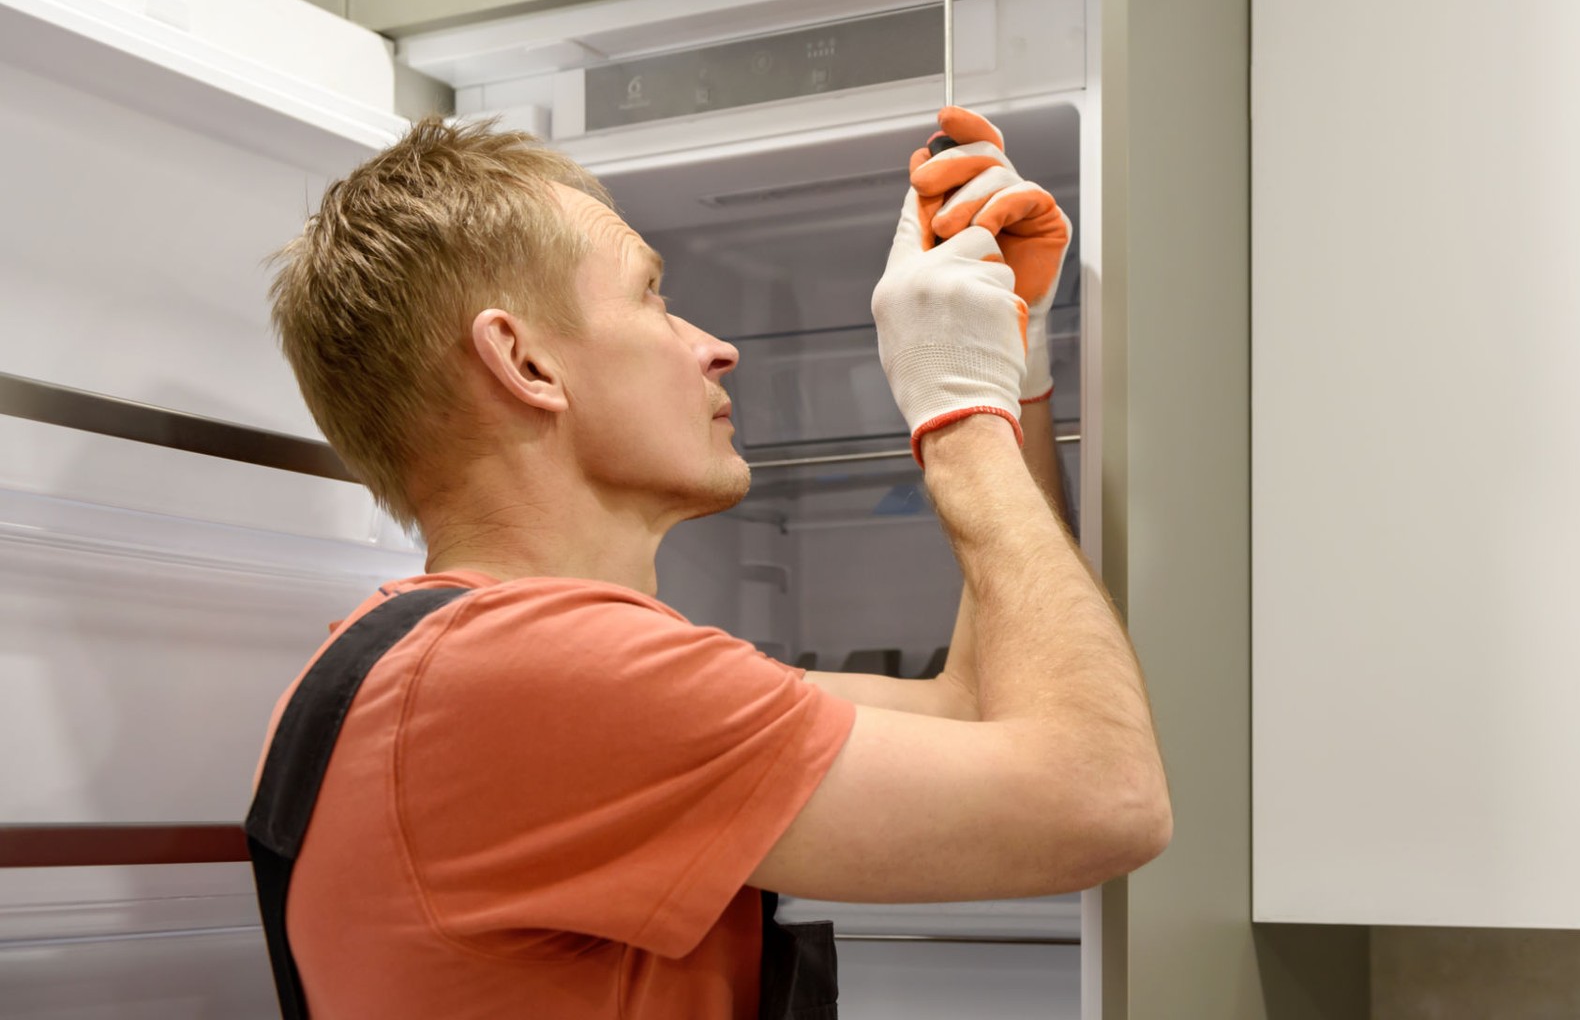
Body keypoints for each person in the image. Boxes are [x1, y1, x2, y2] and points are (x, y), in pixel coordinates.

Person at [253, 106, 1170, 1018]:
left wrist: (1008, 377)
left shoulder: (437, 662)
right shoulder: (533, 675)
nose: (715, 347)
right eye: (652, 295)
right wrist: (959, 416)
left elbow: (977, 708)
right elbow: (1106, 799)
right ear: (524, 361)